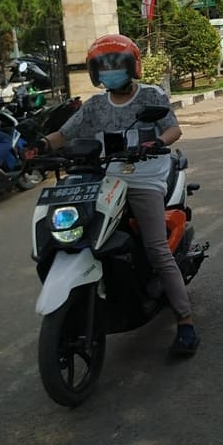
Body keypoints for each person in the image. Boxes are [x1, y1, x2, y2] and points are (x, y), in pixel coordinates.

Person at [27, 34, 200, 357]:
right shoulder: (93, 107)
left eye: (114, 65)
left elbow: (173, 129)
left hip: (145, 177)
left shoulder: (151, 95)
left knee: (156, 249)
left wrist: (157, 143)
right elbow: (65, 134)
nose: (109, 72)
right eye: (102, 67)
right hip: (107, 178)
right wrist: (40, 146)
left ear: (132, 67)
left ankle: (186, 323)